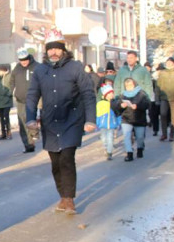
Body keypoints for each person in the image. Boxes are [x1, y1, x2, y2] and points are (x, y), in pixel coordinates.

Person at [25, 40, 96, 215]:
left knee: (66, 158)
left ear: (64, 51)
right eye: (50, 50)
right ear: (46, 52)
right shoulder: (40, 70)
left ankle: (69, 198)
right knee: (55, 162)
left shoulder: (75, 67)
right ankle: (62, 196)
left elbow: (88, 93)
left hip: (71, 119)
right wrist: (30, 117)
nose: (54, 52)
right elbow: (33, 94)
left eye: (57, 49)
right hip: (50, 122)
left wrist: (90, 120)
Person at [111, 77, 150, 161]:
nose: (128, 86)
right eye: (127, 85)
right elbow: (116, 106)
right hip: (126, 118)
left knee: (140, 137)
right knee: (127, 136)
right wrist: (121, 106)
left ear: (134, 84)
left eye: (130, 84)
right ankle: (129, 153)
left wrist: (138, 106)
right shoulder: (123, 95)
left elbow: (147, 104)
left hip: (139, 118)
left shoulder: (141, 94)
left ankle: (140, 149)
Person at [8, 48, 37, 152]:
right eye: (21, 60)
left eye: (25, 59)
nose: (24, 62)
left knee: (31, 120)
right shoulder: (17, 69)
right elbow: (11, 81)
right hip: (20, 100)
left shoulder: (37, 67)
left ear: (29, 58)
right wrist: (10, 91)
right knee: (22, 122)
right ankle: (28, 144)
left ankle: (35, 135)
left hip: (34, 99)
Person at [156, 58, 174, 141]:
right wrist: (157, 98)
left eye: (170, 62)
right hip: (164, 98)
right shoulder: (162, 73)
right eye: (167, 62)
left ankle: (172, 134)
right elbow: (158, 86)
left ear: (173, 63)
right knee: (163, 115)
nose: (168, 64)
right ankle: (164, 134)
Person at [95, 82, 120, 160]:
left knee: (110, 138)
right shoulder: (101, 103)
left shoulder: (114, 103)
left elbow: (117, 113)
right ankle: (105, 147)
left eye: (112, 93)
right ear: (105, 95)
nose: (111, 95)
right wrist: (97, 123)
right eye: (110, 94)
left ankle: (109, 152)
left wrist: (118, 122)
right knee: (104, 138)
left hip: (112, 124)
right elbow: (98, 114)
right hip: (103, 125)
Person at [0, 66, 13, 139]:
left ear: (4, 71)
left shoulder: (9, 76)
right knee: (1, 118)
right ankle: (3, 133)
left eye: (0, 71)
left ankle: (9, 132)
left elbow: (12, 86)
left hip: (7, 101)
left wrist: (8, 94)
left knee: (6, 117)